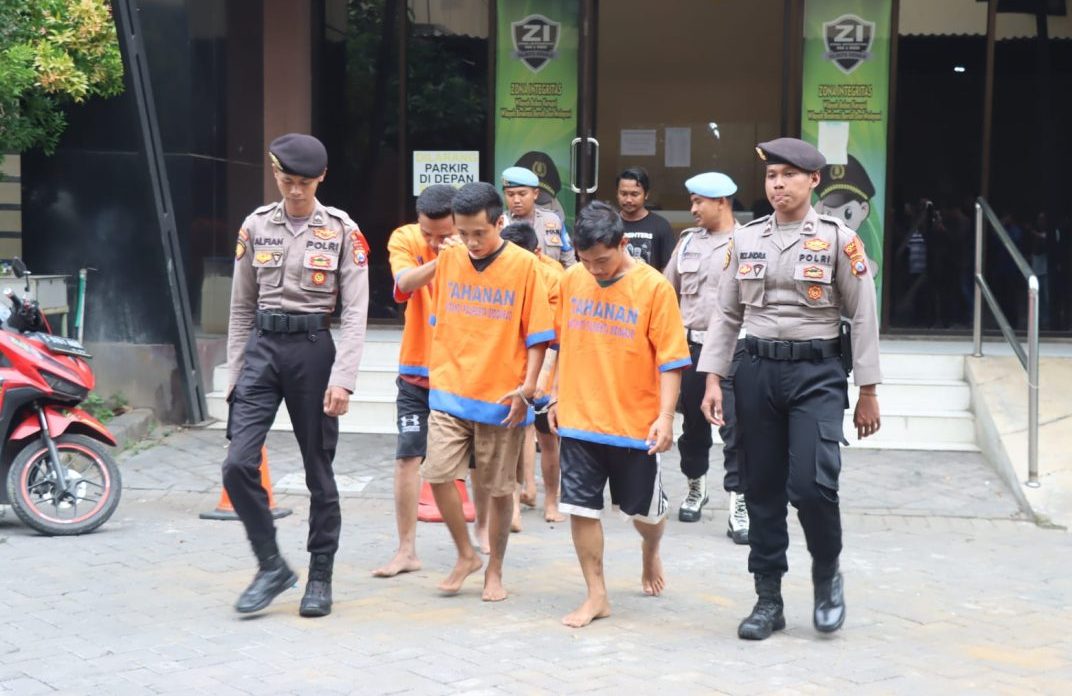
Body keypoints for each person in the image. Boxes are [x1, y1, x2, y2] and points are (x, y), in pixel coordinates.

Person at [699, 137, 882, 640]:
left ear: (813, 180)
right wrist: (713, 377)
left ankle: (826, 575)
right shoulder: (746, 239)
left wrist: (868, 390)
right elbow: (727, 313)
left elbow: (863, 315)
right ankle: (768, 599)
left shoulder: (840, 240)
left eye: (788, 175)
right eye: (771, 176)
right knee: (761, 486)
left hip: (817, 374)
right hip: (756, 371)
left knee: (812, 485)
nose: (777, 185)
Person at [224, 133, 369, 617]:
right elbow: (240, 307)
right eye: (287, 180)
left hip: (313, 351)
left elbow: (356, 312)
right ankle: (271, 565)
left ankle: (320, 575)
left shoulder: (343, 231)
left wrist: (343, 378)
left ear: (321, 178)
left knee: (318, 472)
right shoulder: (255, 226)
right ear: (275, 174)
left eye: (305, 182)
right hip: (262, 349)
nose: (295, 190)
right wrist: (235, 376)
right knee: (237, 464)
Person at [549, 201, 690, 628]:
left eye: (603, 261)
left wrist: (665, 417)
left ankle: (651, 550)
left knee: (645, 514)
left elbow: (671, 360)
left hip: (633, 424)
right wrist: (554, 395)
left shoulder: (654, 288)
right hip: (579, 417)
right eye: (586, 261)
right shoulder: (572, 279)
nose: (595, 270)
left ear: (623, 243)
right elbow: (561, 342)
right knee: (581, 508)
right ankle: (597, 594)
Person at [422, 182, 554, 602]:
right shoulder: (450, 259)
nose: (471, 242)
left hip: (501, 398)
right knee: (437, 473)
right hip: (450, 389)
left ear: (500, 223)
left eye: (479, 233)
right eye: (463, 233)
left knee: (499, 491)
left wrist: (528, 388)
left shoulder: (526, 266)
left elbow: (538, 336)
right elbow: (441, 319)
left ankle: (494, 569)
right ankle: (466, 554)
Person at [373, 184, 462, 578]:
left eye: (444, 235)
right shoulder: (405, 238)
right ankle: (406, 550)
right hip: (416, 369)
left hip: (463, 372)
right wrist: (444, 258)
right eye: (429, 233)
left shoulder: (477, 243)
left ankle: (485, 546)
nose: (435, 241)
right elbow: (405, 283)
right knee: (407, 457)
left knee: (479, 464)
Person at [663, 172, 749, 543]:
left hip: (734, 349)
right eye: (692, 201)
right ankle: (696, 486)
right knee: (694, 428)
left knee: (736, 428)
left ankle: (739, 501)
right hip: (692, 348)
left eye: (699, 201)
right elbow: (665, 291)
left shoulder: (749, 242)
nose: (693, 208)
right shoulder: (686, 243)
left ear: (722, 202)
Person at [500, 221, 567, 524]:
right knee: (511, 435)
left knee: (548, 436)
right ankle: (514, 502)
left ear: (537, 253)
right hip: (510, 363)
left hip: (546, 365)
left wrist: (543, 381)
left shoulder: (554, 278)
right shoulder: (500, 271)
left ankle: (551, 500)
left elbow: (555, 336)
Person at [502, 166, 577, 268]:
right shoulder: (499, 224)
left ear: (535, 194)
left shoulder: (553, 220)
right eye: (510, 195)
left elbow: (569, 261)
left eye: (522, 194)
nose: (516, 200)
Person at [617, 167, 677, 270]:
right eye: (623, 194)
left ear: (646, 194)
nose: (628, 199)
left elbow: (669, 269)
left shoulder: (661, 225)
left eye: (634, 194)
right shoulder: (608, 224)